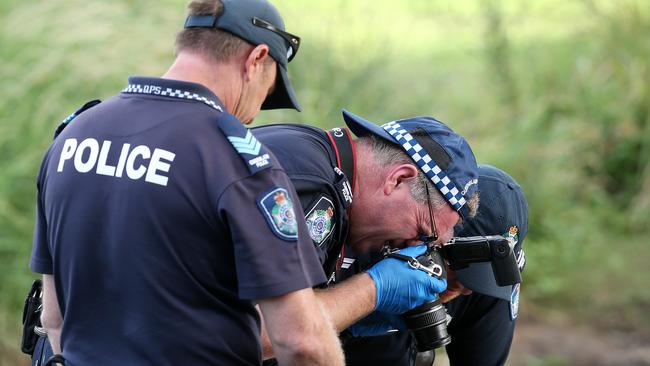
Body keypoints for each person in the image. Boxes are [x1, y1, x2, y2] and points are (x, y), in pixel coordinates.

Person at [28, 0, 349, 364]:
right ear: (256, 59)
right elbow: (303, 343)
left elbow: (54, 318)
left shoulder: (74, 135)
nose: (256, 111)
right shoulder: (239, 162)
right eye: (269, 90)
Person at [251, 109, 481, 363]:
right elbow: (269, 332)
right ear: (398, 179)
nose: (412, 249)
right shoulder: (314, 188)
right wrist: (373, 289)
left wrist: (350, 319)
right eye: (423, 234)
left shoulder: (324, 163)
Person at [341, 163, 529, 366]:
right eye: (464, 272)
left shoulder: (490, 287)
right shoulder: (364, 243)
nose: (467, 289)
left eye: (483, 276)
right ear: (426, 238)